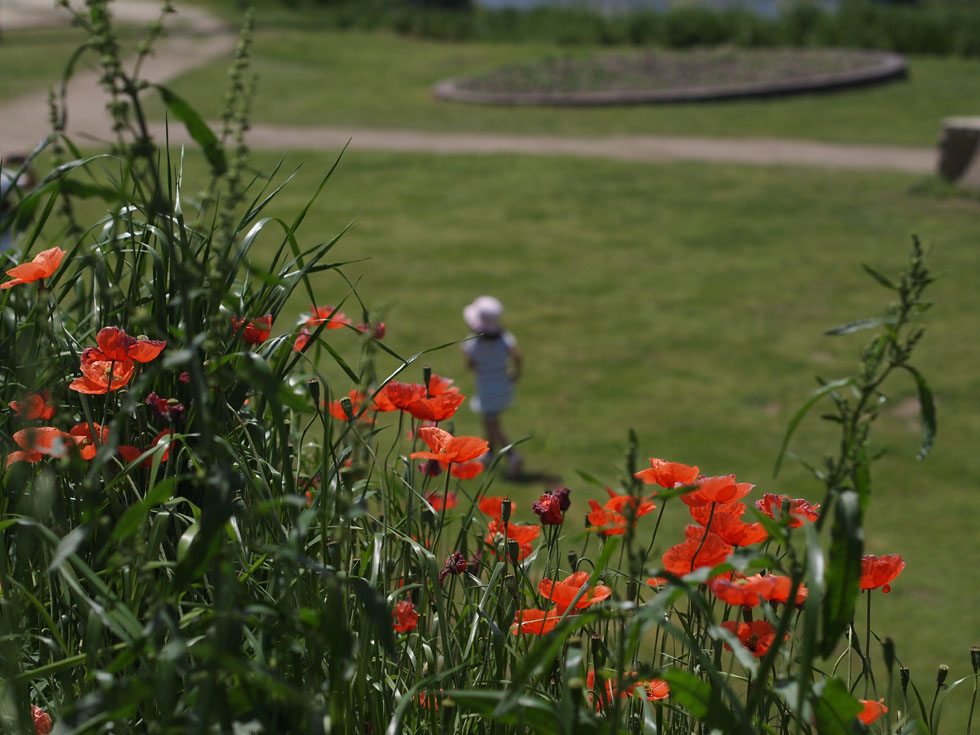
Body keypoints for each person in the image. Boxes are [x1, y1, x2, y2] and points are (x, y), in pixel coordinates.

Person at [462, 295, 523, 479]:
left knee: (493, 425)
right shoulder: (505, 339)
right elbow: (517, 356)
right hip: (503, 386)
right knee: (489, 421)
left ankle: (513, 456)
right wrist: (516, 373)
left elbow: (470, 366)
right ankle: (489, 453)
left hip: (487, 390)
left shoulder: (472, 344)